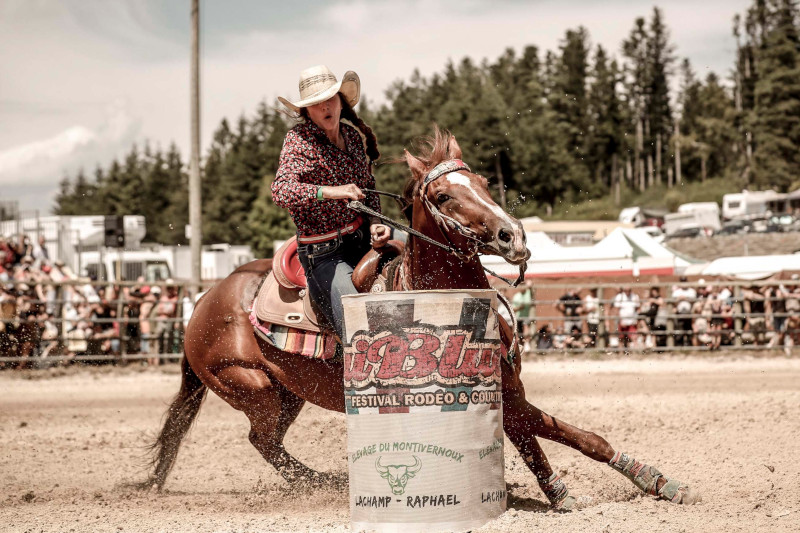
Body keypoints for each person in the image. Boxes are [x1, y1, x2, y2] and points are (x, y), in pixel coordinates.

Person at [272, 65, 390, 342]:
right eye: (316, 103)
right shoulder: (299, 140)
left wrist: (376, 222)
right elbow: (281, 191)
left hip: (361, 239)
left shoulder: (352, 137)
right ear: (307, 111)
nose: (325, 107)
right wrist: (331, 192)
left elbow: (367, 186)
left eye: (330, 99)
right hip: (324, 253)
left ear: (340, 101)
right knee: (357, 322)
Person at [671, 276, 696, 346]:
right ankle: (679, 345)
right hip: (679, 313)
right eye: (682, 282)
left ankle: (689, 344)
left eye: (684, 281)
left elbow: (693, 301)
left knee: (689, 330)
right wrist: (679, 299)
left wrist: (685, 298)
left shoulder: (691, 291)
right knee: (679, 330)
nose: (683, 283)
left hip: (689, 313)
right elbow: (673, 303)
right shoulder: (676, 292)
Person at [511, 282, 533, 351]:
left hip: (526, 316)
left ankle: (527, 343)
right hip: (518, 317)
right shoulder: (516, 296)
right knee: (519, 334)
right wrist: (519, 308)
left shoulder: (528, 292)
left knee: (526, 327)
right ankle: (521, 348)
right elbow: (513, 309)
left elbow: (531, 286)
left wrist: (529, 284)